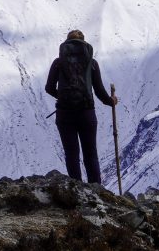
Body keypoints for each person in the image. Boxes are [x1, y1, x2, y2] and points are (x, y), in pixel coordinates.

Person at [44, 29, 118, 184]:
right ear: (84, 43)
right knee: (90, 154)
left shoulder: (58, 62)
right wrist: (111, 101)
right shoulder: (92, 63)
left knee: (71, 154)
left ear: (66, 44)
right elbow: (98, 90)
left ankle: (76, 191)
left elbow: (49, 88)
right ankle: (96, 191)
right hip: (87, 113)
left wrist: (63, 96)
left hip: (64, 114)